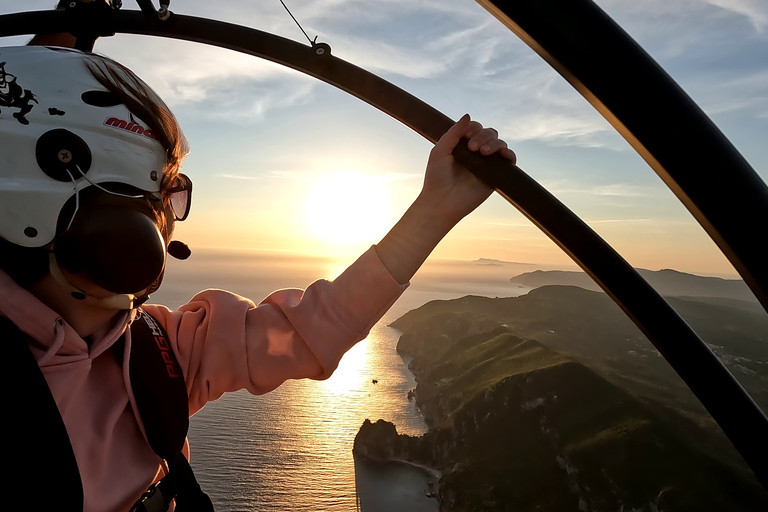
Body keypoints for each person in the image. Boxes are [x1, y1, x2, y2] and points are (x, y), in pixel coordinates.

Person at [0, 22, 516, 512]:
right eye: (162, 197)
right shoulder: (164, 356)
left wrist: (438, 207)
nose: (168, 225)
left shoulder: (157, 355)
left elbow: (318, 323)